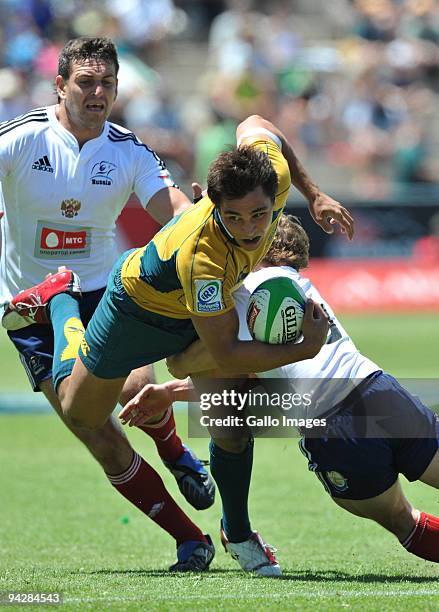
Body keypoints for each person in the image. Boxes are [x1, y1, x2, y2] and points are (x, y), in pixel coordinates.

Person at [3, 113, 353, 571]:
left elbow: (255, 121)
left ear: (275, 194)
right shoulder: (202, 256)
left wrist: (315, 192)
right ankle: (61, 303)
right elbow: (224, 350)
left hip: (197, 310)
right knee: (82, 413)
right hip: (137, 310)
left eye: (259, 215)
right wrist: (304, 348)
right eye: (233, 217)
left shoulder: (273, 174)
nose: (249, 228)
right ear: (213, 205)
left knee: (230, 406)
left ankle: (239, 533)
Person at [0, 36, 217, 572]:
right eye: (86, 82)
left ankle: (174, 451)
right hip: (30, 308)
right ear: (60, 86)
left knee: (139, 386)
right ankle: (192, 540)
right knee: (96, 431)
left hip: (100, 296)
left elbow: (175, 210)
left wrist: (201, 222)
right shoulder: (22, 139)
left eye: (107, 84)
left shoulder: (126, 149)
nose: (98, 93)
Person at [123, 214, 439, 571]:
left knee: (403, 519)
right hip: (377, 390)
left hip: (332, 428)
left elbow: (187, 363)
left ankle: (236, 531)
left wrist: (175, 376)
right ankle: (238, 531)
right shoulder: (300, 284)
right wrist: (173, 392)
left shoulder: (248, 291)